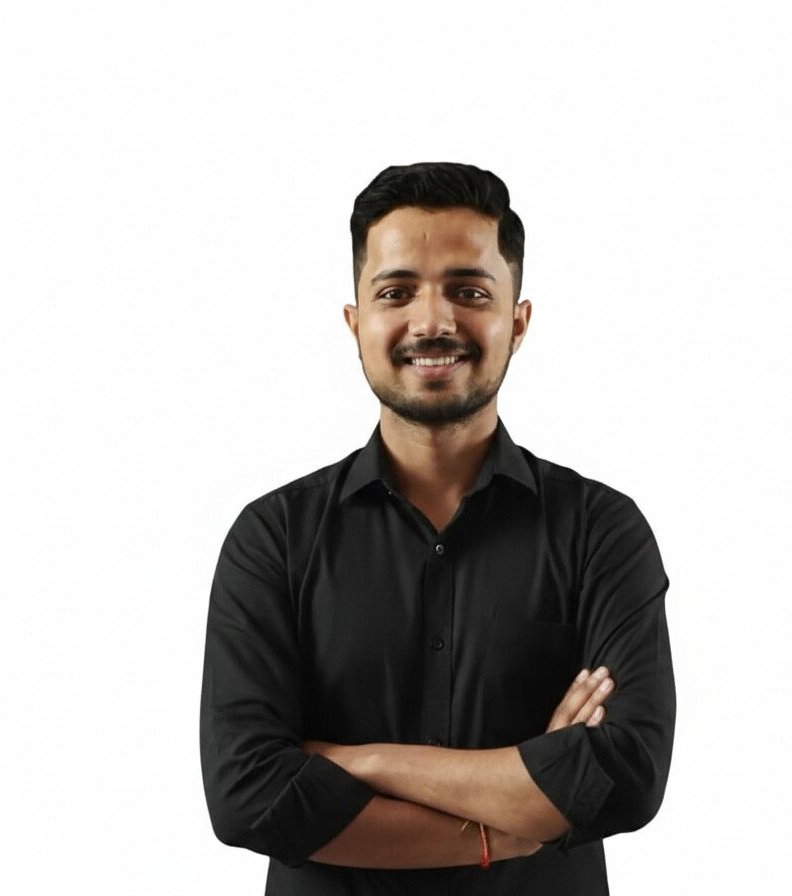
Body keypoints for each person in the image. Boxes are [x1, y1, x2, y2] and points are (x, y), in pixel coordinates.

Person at [199, 161, 676, 894]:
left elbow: (623, 778)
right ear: (356, 323)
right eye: (396, 292)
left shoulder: (601, 532)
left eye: (469, 292)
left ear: (517, 322)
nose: (432, 322)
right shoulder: (273, 539)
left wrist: (359, 761)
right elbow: (249, 796)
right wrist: (514, 821)